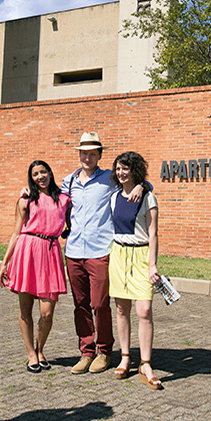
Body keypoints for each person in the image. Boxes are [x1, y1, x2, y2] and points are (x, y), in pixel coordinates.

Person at [60, 132, 150, 374]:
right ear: (79, 154)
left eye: (92, 154)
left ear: (99, 155)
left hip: (100, 251)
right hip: (74, 251)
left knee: (100, 304)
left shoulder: (109, 179)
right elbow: (51, 199)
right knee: (80, 304)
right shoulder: (69, 181)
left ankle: (104, 351)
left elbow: (137, 183)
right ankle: (86, 351)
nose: (87, 158)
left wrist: (143, 185)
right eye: (83, 153)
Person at [0, 160, 71, 373]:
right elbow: (16, 233)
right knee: (25, 308)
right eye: (35, 174)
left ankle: (40, 349)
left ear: (50, 173)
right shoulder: (25, 200)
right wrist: (4, 264)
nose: (40, 176)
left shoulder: (64, 199)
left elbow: (72, 223)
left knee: (47, 313)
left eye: (43, 172)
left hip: (50, 252)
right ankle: (31, 353)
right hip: (27, 252)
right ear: (31, 178)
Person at [107, 151, 163, 389]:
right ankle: (125, 357)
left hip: (141, 256)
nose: (121, 173)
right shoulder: (113, 196)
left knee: (145, 310)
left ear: (135, 170)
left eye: (126, 168)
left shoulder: (148, 197)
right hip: (119, 255)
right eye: (118, 168)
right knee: (121, 310)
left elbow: (153, 233)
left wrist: (152, 265)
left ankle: (146, 364)